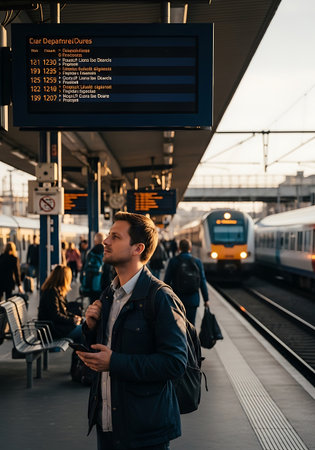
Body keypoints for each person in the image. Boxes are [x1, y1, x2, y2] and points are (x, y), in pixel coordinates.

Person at [77, 212, 187, 450]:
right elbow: (105, 348)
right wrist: (89, 328)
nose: (105, 241)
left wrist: (114, 362)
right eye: (108, 235)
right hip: (106, 425)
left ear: (138, 248)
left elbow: (175, 363)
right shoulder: (109, 294)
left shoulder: (160, 298)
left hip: (144, 431)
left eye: (115, 237)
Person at [164, 238, 209, 326]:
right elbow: (202, 281)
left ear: (179, 248)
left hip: (177, 299)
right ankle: (190, 339)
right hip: (193, 299)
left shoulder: (173, 261)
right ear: (190, 248)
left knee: (178, 325)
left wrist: (165, 299)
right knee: (191, 325)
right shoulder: (197, 262)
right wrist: (206, 299)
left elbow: (166, 281)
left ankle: (182, 339)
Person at [38, 265, 82, 343]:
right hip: (52, 331)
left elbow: (61, 311)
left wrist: (73, 317)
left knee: (84, 328)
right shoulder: (51, 292)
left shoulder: (54, 291)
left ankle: (79, 354)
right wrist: (72, 320)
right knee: (85, 330)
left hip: (54, 328)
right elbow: (55, 315)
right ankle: (79, 355)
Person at [80, 232, 104, 303]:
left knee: (93, 306)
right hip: (104, 287)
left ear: (95, 241)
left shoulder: (90, 253)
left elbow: (85, 268)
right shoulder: (107, 253)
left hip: (92, 286)